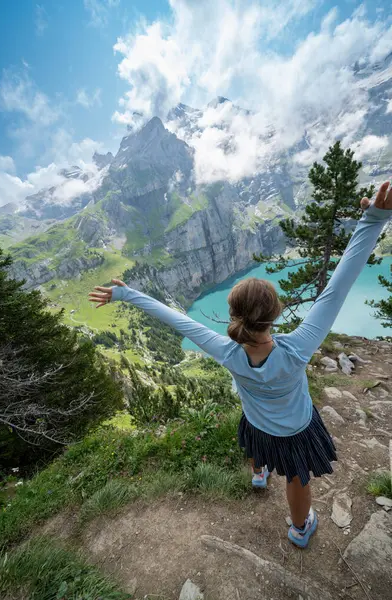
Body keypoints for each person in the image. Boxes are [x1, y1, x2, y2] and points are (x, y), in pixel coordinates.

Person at [89, 181, 392, 549]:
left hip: (256, 422)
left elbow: (175, 319)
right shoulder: (298, 348)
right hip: (296, 429)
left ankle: (259, 474)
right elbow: (338, 287)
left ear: (233, 315)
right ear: (275, 313)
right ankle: (300, 529)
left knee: (254, 439)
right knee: (297, 478)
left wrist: (125, 294)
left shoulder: (226, 350)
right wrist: (374, 219)